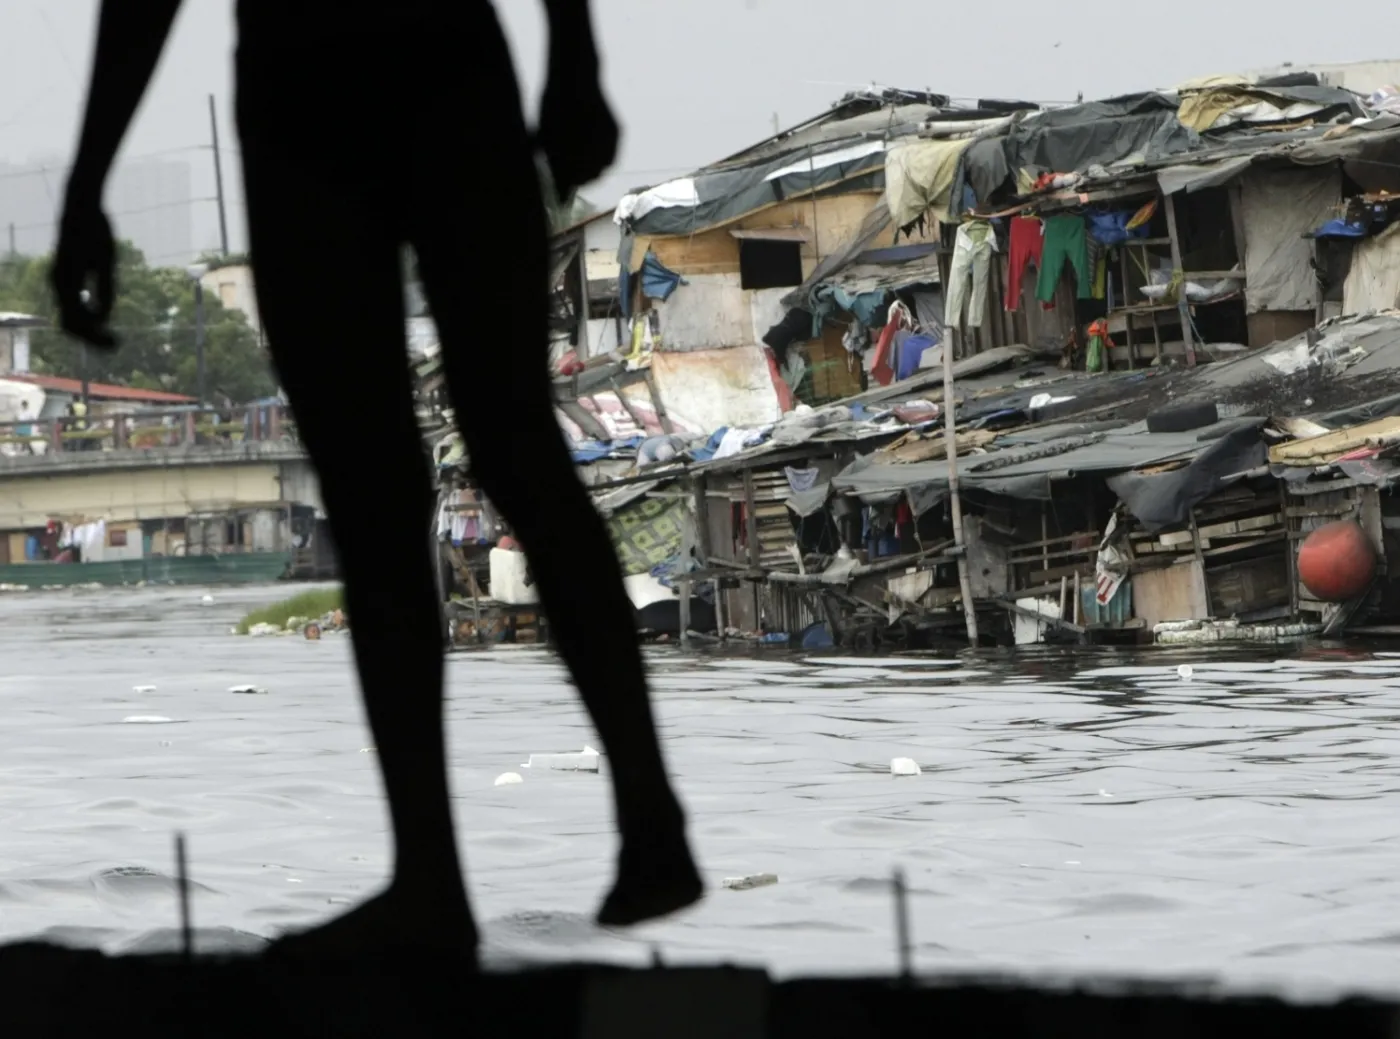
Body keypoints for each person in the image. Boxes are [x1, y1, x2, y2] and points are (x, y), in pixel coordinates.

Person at [51, 0, 702, 960]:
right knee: (499, 453)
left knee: (394, 496)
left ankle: (459, 872)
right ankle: (629, 825)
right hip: (405, 83)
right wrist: (572, 53)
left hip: (330, 94)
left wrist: (88, 183)